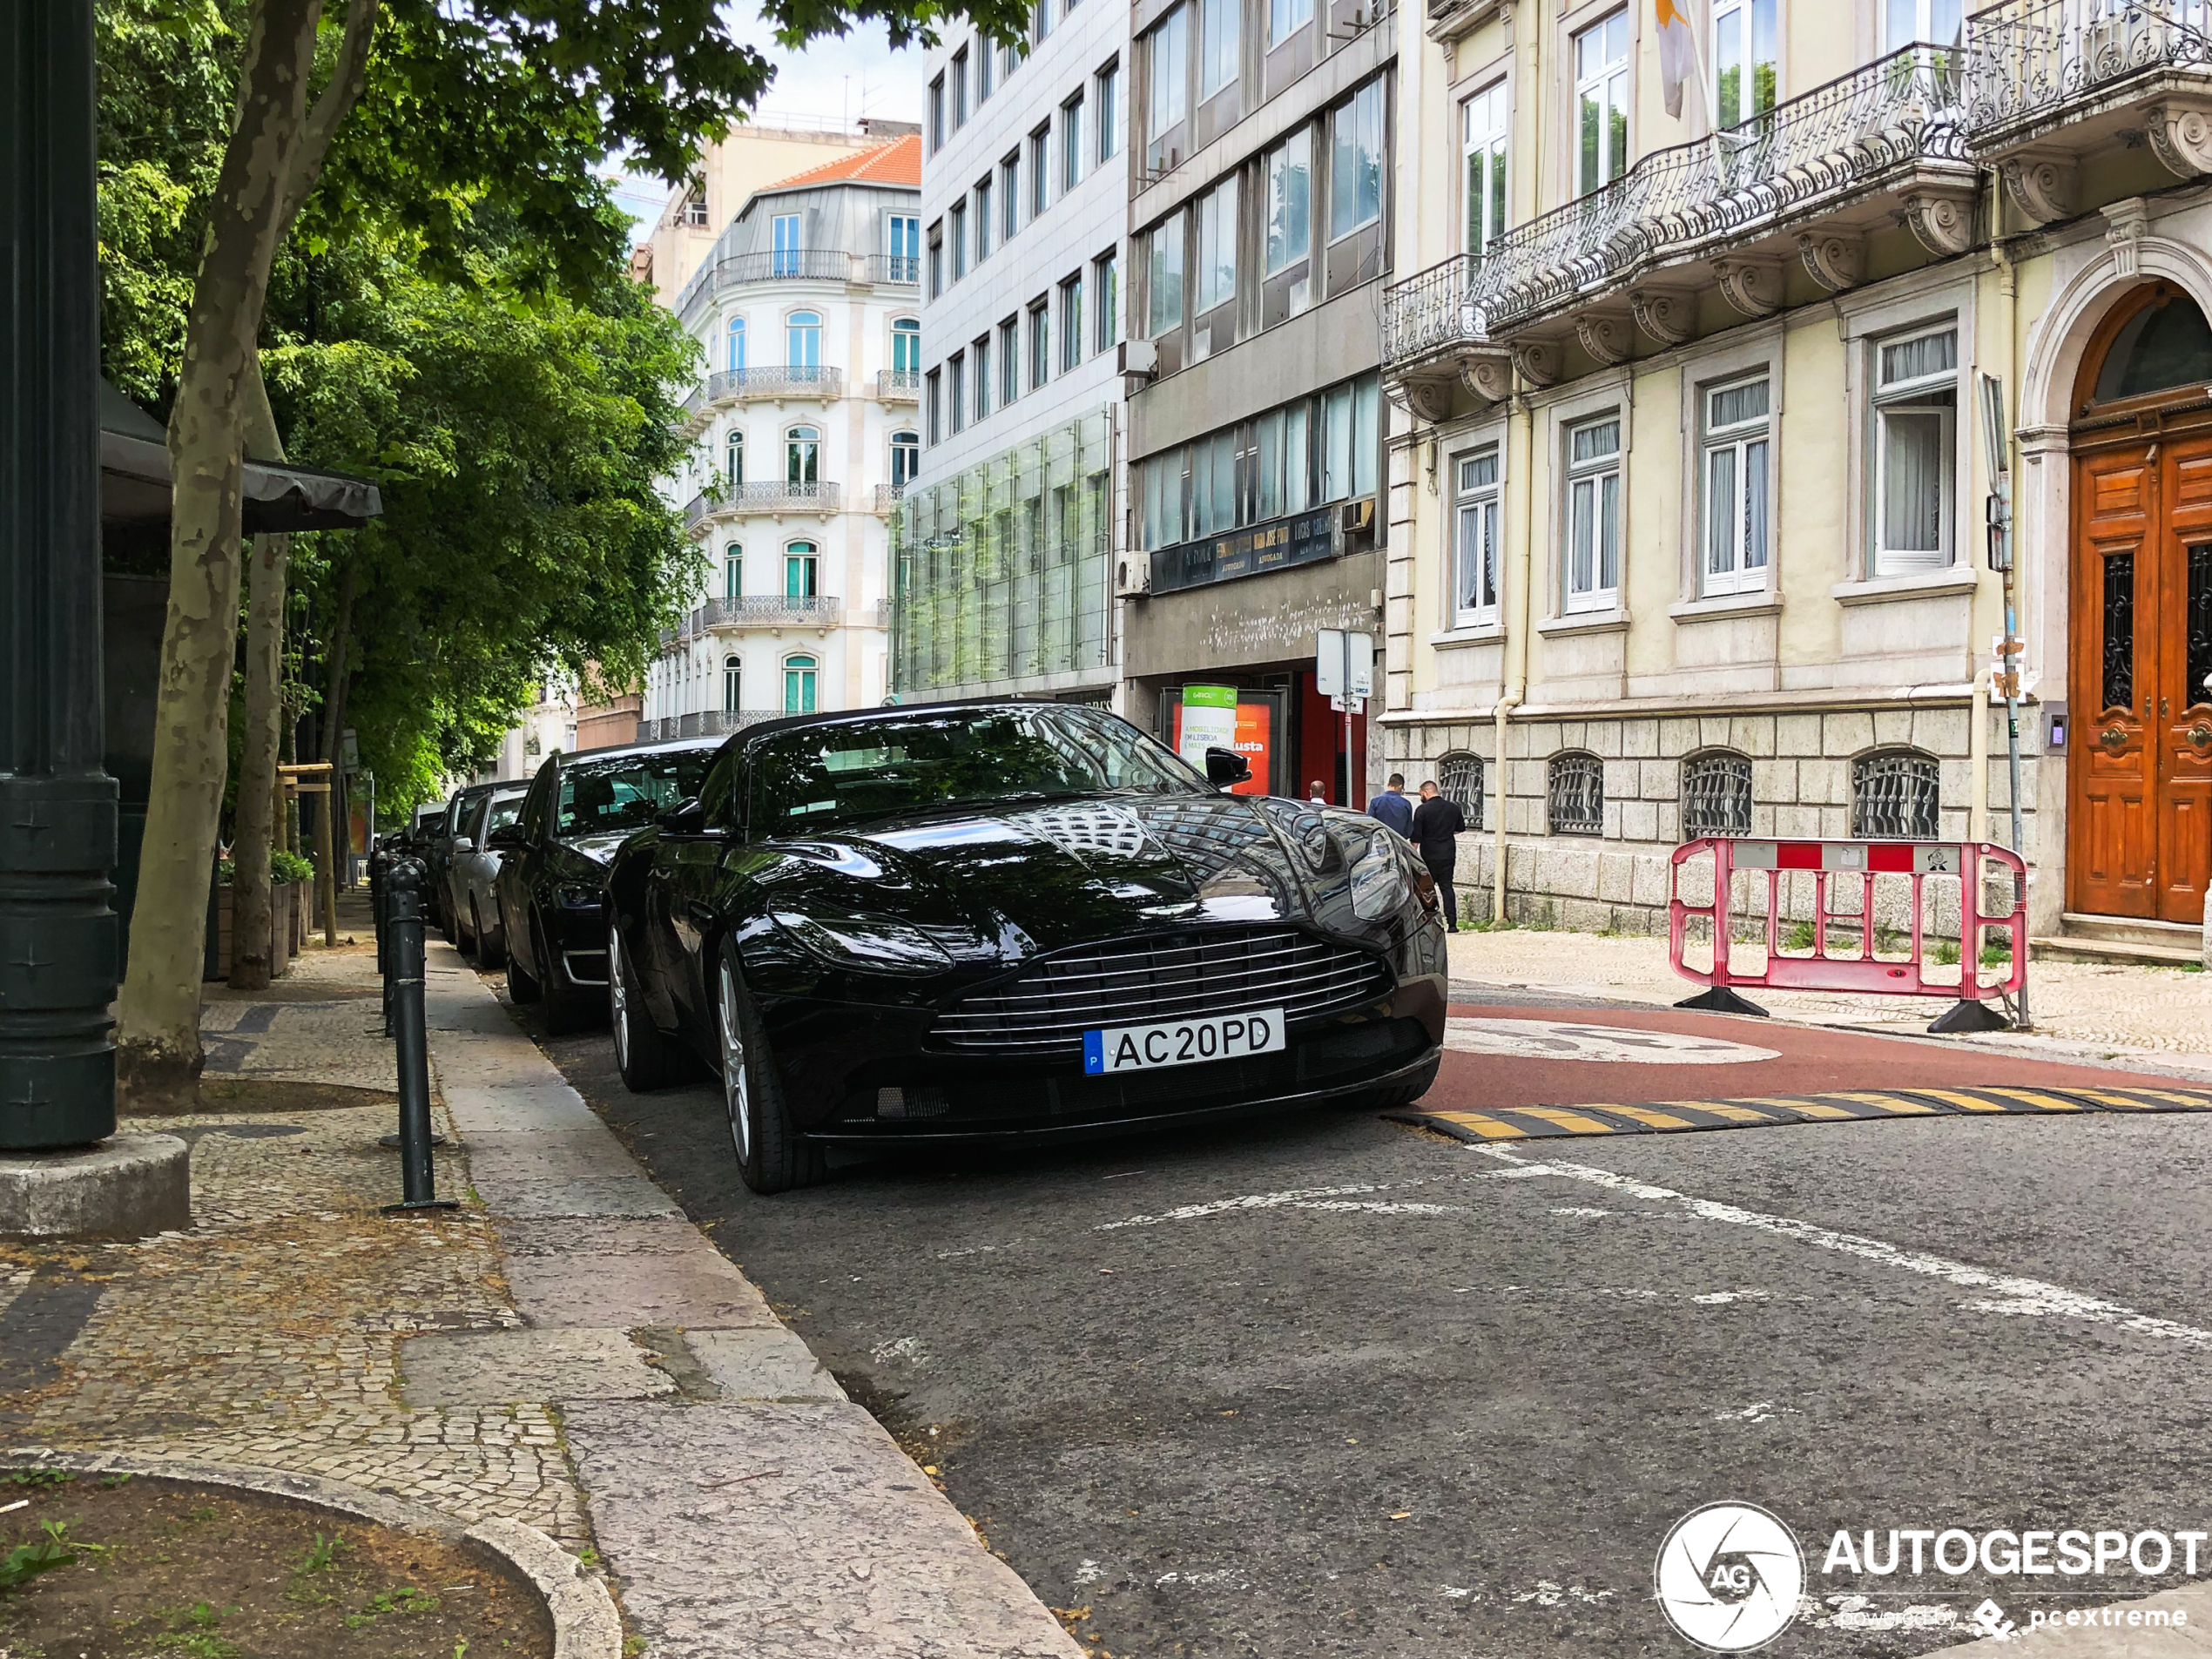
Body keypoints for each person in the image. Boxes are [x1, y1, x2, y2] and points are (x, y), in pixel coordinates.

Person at [1411, 780, 1467, 932]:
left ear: (1425, 792)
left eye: (1420, 794)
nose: (1420, 797)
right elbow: (1460, 828)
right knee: (1447, 887)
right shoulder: (1453, 808)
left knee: (1427, 889)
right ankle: (1452, 923)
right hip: (1448, 853)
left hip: (1429, 854)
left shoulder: (1422, 810)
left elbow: (1417, 836)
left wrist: (1412, 854)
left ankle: (1428, 922)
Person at [1366, 772, 1413, 837]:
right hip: (1399, 841)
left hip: (1380, 840)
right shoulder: (1406, 804)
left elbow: (1370, 824)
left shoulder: (1375, 802)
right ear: (1401, 786)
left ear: (1388, 784)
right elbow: (1409, 830)